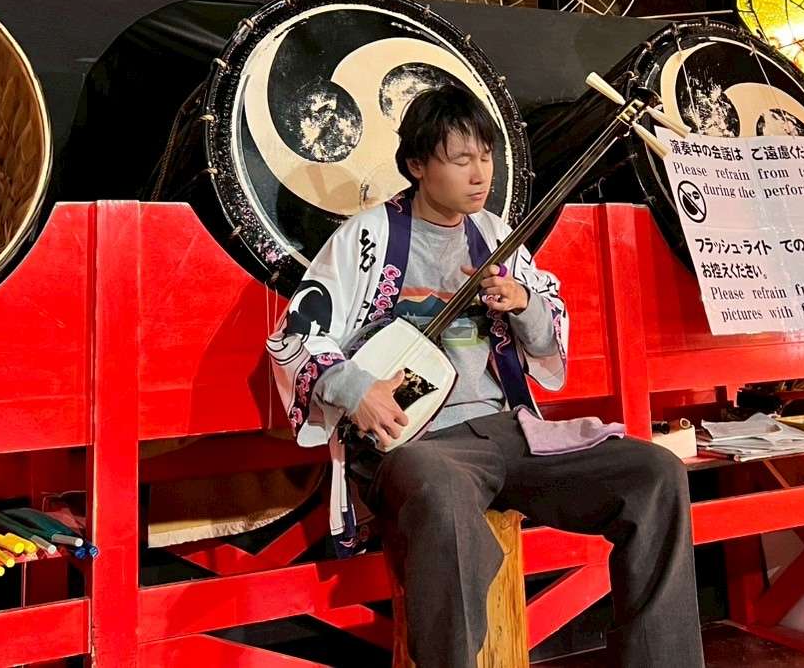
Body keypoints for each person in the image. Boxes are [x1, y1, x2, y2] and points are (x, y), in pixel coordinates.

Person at [268, 84, 704, 668]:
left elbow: (548, 346)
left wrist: (524, 303)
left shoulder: (498, 237)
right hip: (423, 444)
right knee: (439, 491)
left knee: (654, 475)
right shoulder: (366, 239)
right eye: (460, 159)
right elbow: (294, 336)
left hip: (512, 432)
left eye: (486, 157)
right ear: (417, 165)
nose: (480, 175)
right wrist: (357, 389)